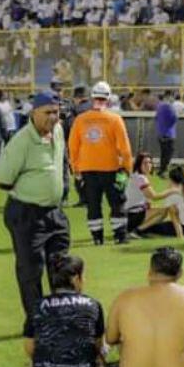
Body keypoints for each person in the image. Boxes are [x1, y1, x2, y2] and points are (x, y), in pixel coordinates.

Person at [0, 90, 71, 329]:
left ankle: (61, 317)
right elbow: (1, 180)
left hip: (54, 212)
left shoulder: (58, 131)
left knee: (62, 267)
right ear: (34, 113)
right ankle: (37, 323)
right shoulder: (22, 141)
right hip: (27, 213)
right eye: (47, 113)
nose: (53, 118)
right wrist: (32, 188)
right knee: (31, 271)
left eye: (56, 113)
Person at [22, 254, 109, 367]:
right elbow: (98, 346)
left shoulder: (37, 306)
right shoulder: (92, 305)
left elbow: (29, 347)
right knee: (103, 364)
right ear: (76, 279)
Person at [67, 81, 133, 246]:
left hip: (87, 169)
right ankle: (120, 236)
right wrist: (127, 169)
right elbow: (125, 149)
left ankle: (97, 238)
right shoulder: (115, 119)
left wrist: (76, 169)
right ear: (108, 98)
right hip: (111, 168)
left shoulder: (80, 120)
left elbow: (72, 147)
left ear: (92, 98)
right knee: (117, 203)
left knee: (93, 205)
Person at [134, 166, 184, 239]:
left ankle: (139, 230)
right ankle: (139, 229)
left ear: (172, 180)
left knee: (154, 226)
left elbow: (166, 214)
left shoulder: (173, 193)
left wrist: (180, 236)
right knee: (169, 212)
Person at [123, 152, 159, 234]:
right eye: (145, 163)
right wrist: (172, 192)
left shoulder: (136, 176)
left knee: (154, 210)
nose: (148, 165)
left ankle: (141, 230)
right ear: (139, 165)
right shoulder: (140, 178)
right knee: (163, 211)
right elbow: (153, 196)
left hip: (129, 215)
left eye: (150, 162)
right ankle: (137, 231)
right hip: (131, 216)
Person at [154, 91, 178, 175]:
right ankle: (163, 170)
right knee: (168, 153)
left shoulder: (159, 106)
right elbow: (174, 118)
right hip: (169, 133)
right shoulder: (169, 106)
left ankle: (162, 170)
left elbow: (156, 118)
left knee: (163, 153)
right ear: (169, 96)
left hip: (160, 132)